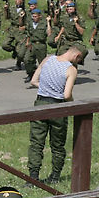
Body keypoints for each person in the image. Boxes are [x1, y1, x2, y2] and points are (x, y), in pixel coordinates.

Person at [27, 46, 82, 184]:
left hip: (40, 103)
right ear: (77, 56)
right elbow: (67, 94)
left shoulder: (47, 59)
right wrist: (72, 104)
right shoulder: (71, 69)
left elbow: (33, 81)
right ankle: (55, 177)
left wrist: (47, 88)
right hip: (58, 106)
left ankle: (33, 177)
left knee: (36, 143)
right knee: (57, 144)